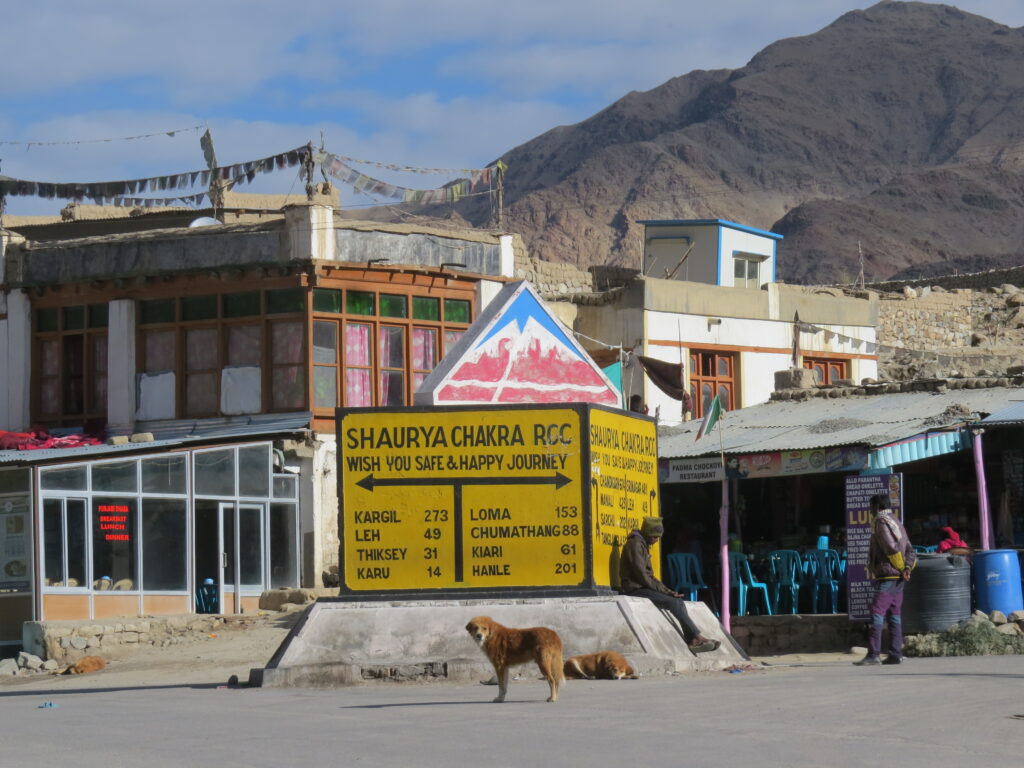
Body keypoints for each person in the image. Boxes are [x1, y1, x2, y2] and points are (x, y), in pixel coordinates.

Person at [619, 516, 720, 654]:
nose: (656, 541)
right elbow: (642, 576)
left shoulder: (642, 544)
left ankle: (694, 639)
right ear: (649, 533)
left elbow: (650, 577)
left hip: (643, 586)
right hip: (635, 589)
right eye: (655, 537)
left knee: (678, 601)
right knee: (672, 603)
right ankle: (697, 637)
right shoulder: (635, 544)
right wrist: (665, 592)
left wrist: (667, 590)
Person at [854, 494, 917, 666]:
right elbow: (911, 549)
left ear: (877, 507)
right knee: (894, 615)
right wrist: (907, 568)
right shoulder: (896, 522)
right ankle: (895, 653)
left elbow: (891, 548)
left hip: (888, 575)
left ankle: (873, 654)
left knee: (877, 612)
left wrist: (900, 567)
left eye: (871, 507)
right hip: (898, 577)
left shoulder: (881, 522)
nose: (870, 510)